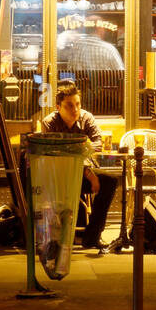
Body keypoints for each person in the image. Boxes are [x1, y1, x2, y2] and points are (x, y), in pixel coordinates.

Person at [39, 81, 114, 250]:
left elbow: (99, 143)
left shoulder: (86, 118)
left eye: (78, 104)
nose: (75, 110)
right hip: (60, 176)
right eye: (69, 106)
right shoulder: (49, 123)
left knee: (111, 181)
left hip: (82, 172)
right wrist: (88, 169)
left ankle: (92, 236)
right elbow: (58, 154)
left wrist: (79, 153)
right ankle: (59, 236)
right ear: (58, 107)